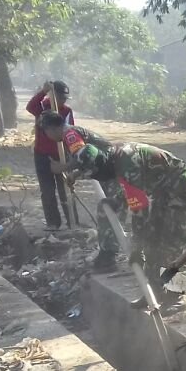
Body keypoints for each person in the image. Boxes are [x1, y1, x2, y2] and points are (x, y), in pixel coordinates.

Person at [72, 140, 186, 307]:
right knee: (152, 243)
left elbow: (140, 211)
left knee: (173, 245)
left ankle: (174, 296)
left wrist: (137, 247)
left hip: (180, 189)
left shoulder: (126, 162)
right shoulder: (115, 158)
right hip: (161, 190)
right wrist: (118, 200)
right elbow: (132, 188)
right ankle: (154, 293)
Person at [40, 113, 124, 272]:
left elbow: (81, 157)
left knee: (109, 212)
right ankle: (108, 253)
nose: (47, 136)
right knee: (108, 212)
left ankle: (110, 256)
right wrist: (75, 174)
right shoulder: (71, 133)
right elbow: (88, 158)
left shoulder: (70, 134)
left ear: (51, 129)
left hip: (113, 171)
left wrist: (62, 168)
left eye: (46, 132)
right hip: (109, 170)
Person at [25, 80, 75, 230]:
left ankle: (73, 221)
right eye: (60, 98)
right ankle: (53, 223)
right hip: (42, 155)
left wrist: (69, 159)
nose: (62, 101)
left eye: (64, 99)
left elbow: (71, 132)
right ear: (53, 96)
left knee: (65, 190)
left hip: (61, 156)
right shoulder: (42, 108)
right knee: (47, 191)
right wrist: (43, 91)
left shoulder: (66, 111)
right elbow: (30, 107)